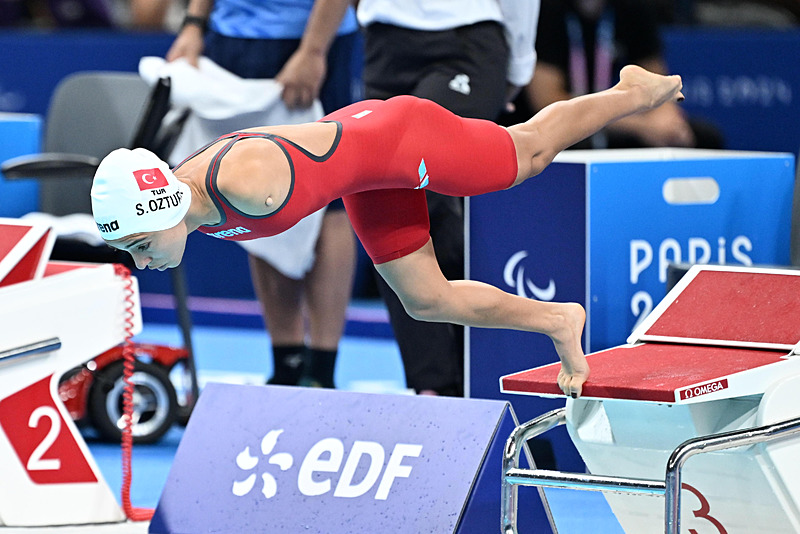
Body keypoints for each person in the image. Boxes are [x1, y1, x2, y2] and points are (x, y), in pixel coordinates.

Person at [90, 65, 686, 399]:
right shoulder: (189, 203)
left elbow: (305, 160)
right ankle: (561, 320)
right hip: (364, 178)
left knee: (525, 155)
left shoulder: (246, 180)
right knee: (427, 300)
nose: (141, 263)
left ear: (163, 210)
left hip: (396, 139)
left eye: (138, 246)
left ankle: (629, 90)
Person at [164, 0, 360, 388]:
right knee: (247, 196)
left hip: (310, 39)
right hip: (232, 41)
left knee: (329, 199)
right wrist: (194, 25)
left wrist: (314, 49)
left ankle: (321, 369)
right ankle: (285, 362)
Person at [356, 0, 540, 396]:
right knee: (381, 198)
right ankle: (432, 385)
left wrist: (520, 63)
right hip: (384, 44)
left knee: (424, 184)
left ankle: (463, 376)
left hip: (465, 41)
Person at [510, 0, 723, 150]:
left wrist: (667, 118)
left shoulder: (635, 8)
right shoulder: (546, 9)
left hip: (616, 124)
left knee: (703, 137)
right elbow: (547, 101)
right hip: (556, 127)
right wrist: (640, 126)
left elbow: (660, 83)